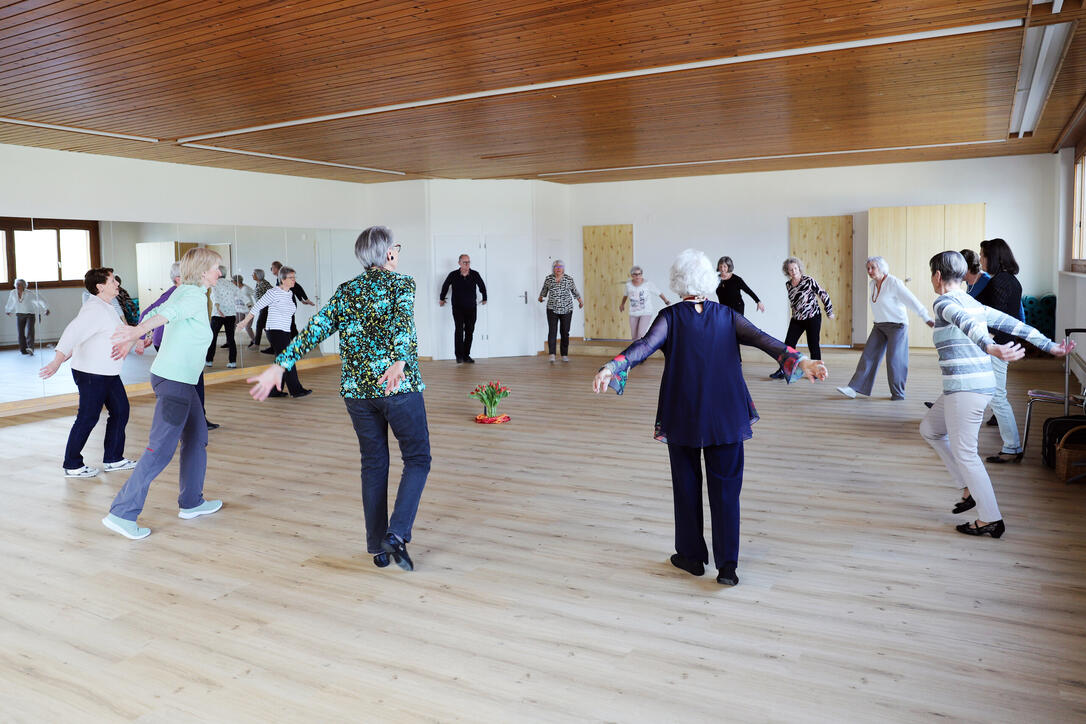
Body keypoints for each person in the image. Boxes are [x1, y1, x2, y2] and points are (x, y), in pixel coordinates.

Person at [592, 249, 827, 586]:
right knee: (727, 491)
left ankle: (690, 557)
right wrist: (803, 362)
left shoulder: (670, 317)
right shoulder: (726, 315)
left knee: (686, 487)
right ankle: (727, 568)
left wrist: (611, 366)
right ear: (709, 279)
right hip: (727, 415)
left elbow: (643, 347)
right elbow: (765, 340)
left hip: (683, 414)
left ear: (677, 281)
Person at [247, 226, 429, 572]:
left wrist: (281, 364)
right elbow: (404, 323)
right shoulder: (402, 283)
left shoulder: (347, 291)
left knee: (374, 464)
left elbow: (314, 329)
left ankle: (377, 546)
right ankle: (396, 533)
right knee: (418, 458)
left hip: (358, 394)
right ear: (388, 254)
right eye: (396, 248)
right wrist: (400, 361)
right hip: (397, 388)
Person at [919, 251, 1073, 539]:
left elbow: (961, 320)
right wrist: (1050, 346)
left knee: (966, 454)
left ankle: (990, 518)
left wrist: (987, 345)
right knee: (930, 429)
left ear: (937, 276)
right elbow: (1013, 323)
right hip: (967, 387)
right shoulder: (972, 302)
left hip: (966, 389)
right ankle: (967, 488)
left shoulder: (945, 302)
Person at [102, 248, 226, 540]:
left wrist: (141, 335)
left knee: (197, 437)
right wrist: (137, 333)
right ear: (204, 270)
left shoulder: (188, 292)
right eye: (217, 268)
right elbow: (166, 314)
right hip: (175, 382)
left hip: (182, 379)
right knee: (160, 450)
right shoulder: (192, 295)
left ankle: (192, 502)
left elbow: (158, 311)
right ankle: (122, 512)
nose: (220, 272)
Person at [39, 267, 139, 478]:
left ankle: (113, 459)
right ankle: (72, 464)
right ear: (100, 286)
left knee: (121, 410)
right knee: (88, 417)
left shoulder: (107, 306)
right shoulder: (94, 309)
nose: (117, 284)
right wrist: (57, 361)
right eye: (113, 281)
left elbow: (109, 333)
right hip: (92, 374)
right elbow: (72, 334)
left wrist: (136, 339)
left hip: (107, 372)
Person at [836, 256, 934, 401]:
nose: (869, 271)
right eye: (867, 268)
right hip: (880, 325)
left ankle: (898, 393)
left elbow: (911, 300)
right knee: (868, 356)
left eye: (872, 267)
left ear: (882, 268)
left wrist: (925, 317)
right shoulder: (872, 284)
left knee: (895, 360)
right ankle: (853, 388)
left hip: (897, 326)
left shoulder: (894, 283)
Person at [139, 261, 219, 431]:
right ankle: (191, 421)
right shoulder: (179, 293)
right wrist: (139, 335)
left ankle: (197, 420)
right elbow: (150, 313)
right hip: (170, 344)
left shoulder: (190, 293)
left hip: (182, 345)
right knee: (187, 385)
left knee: (194, 382)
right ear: (178, 279)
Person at [974, 238, 1027, 463]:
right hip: (1001, 345)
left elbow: (1000, 318)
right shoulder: (1006, 280)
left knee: (998, 397)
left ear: (993, 257)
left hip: (1000, 346)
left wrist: (992, 341)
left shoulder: (1001, 282)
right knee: (991, 393)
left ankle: (1012, 447)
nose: (980, 259)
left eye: (983, 255)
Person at [239, 267, 311, 398]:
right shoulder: (273, 292)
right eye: (291, 278)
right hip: (275, 331)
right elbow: (257, 306)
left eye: (294, 277)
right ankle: (296, 390)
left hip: (284, 331)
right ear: (282, 279)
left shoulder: (289, 293)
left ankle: (274, 390)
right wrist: (244, 322)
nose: (294, 280)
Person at [769, 257, 835, 379]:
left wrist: (829, 311)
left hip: (812, 317)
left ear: (799, 268)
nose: (793, 271)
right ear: (787, 272)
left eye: (795, 268)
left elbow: (823, 294)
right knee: (788, 345)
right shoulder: (788, 285)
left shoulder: (808, 280)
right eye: (790, 270)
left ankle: (817, 370)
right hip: (797, 319)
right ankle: (784, 370)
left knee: (813, 344)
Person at [439, 253, 487, 363]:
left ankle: (466, 355)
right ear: (459, 263)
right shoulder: (453, 274)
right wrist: (442, 298)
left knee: (470, 331)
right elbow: (445, 285)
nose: (467, 264)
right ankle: (459, 356)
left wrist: (484, 297)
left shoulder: (475, 274)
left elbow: (482, 286)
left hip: (471, 308)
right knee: (459, 331)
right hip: (457, 307)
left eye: (468, 262)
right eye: (464, 262)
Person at [261, 260, 315, 350]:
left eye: (272, 268)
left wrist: (305, 299)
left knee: (289, 326)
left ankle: (297, 345)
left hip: (287, 305)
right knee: (287, 326)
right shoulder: (279, 278)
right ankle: (291, 345)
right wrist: (302, 299)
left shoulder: (283, 277)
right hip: (285, 305)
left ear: (277, 268)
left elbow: (297, 287)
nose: (271, 270)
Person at [538, 259, 583, 362]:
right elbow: (544, 290)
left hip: (567, 309)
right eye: (556, 267)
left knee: (565, 332)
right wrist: (540, 297)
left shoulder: (568, 279)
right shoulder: (549, 279)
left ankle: (564, 354)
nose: (558, 269)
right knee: (552, 331)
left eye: (560, 267)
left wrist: (580, 301)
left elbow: (574, 291)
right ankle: (552, 354)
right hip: (552, 309)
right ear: (553, 268)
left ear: (563, 269)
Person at [620, 265, 669, 340]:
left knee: (640, 334)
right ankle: (635, 350)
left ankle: (641, 350)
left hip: (646, 312)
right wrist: (622, 304)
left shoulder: (647, 284)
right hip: (633, 312)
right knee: (634, 336)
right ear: (632, 275)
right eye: (635, 274)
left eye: (640, 274)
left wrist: (666, 300)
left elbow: (658, 292)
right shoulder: (628, 284)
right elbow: (625, 295)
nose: (638, 276)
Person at [206, 266, 238, 369]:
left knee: (212, 337)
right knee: (231, 338)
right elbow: (239, 294)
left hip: (218, 314)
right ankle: (233, 362)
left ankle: (209, 361)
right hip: (230, 314)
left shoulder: (215, 283)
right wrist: (248, 304)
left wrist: (217, 306)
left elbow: (215, 296)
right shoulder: (231, 284)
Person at [5, 278, 49, 354]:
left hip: (30, 314)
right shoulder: (13, 293)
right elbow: (10, 302)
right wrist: (8, 310)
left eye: (20, 285)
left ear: (24, 286)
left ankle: (30, 348)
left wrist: (46, 309)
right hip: (19, 314)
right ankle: (23, 349)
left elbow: (40, 300)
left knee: (30, 331)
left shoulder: (29, 293)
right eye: (17, 284)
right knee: (20, 333)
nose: (18, 286)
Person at [251, 268, 273, 349]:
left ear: (258, 275)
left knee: (259, 325)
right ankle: (273, 345)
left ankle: (256, 344)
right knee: (265, 327)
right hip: (262, 307)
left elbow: (273, 293)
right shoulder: (258, 283)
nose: (252, 275)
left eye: (253, 274)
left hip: (266, 308)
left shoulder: (264, 283)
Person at [233, 274, 257, 346]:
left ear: (237, 282)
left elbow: (255, 294)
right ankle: (229, 340)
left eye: (233, 281)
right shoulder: (234, 289)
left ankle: (254, 341)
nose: (231, 282)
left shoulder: (245, 289)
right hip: (239, 311)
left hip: (248, 311)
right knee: (233, 325)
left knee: (247, 327)